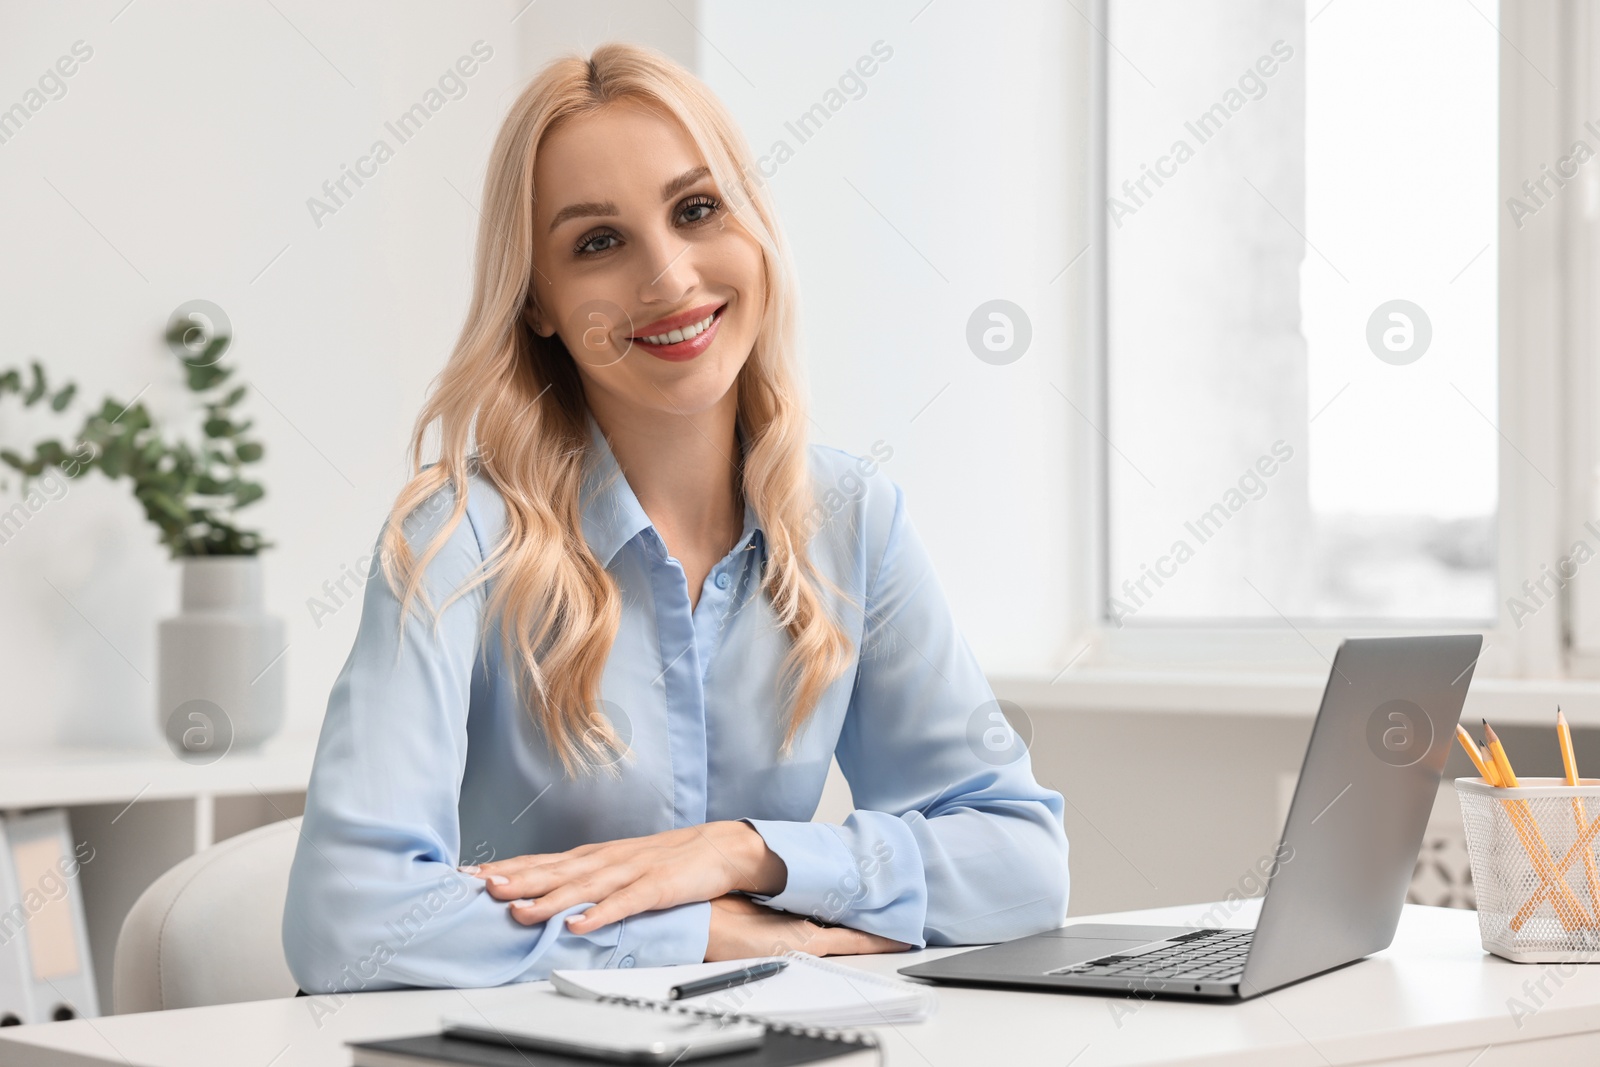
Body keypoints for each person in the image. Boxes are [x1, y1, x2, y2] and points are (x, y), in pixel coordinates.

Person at [282, 41, 1068, 995]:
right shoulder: (458, 541)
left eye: (697, 210)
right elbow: (344, 918)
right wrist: (697, 934)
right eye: (597, 242)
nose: (668, 276)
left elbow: (1023, 865)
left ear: (754, 228)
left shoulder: (852, 519)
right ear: (538, 303)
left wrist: (744, 853)